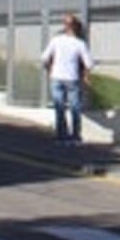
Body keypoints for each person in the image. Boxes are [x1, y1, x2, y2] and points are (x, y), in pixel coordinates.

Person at [40, 13, 93, 145]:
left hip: (57, 77)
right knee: (75, 108)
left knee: (59, 108)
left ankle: (61, 136)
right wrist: (85, 75)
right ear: (76, 27)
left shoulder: (56, 40)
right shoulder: (80, 43)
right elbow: (89, 64)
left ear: (65, 26)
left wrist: (50, 70)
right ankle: (75, 136)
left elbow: (44, 58)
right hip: (72, 78)